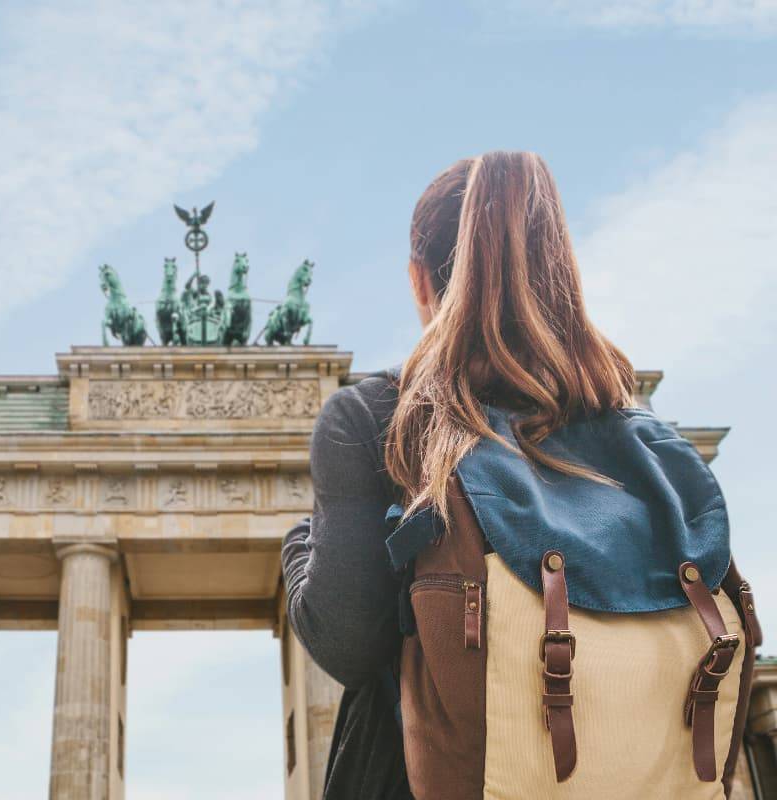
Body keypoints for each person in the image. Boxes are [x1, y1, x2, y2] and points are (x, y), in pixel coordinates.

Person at [282, 151, 758, 799]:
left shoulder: (379, 418)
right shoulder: (646, 442)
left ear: (420, 281)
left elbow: (348, 643)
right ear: (558, 270)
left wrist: (300, 545)